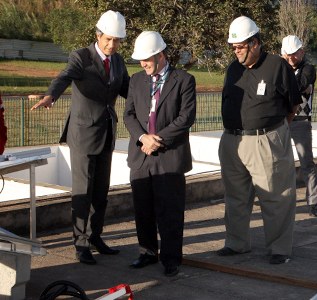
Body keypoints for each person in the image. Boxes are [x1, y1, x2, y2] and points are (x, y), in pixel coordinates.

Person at [29, 10, 130, 265]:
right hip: (83, 134)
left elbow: (129, 90)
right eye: (108, 39)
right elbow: (64, 77)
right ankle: (80, 243)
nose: (112, 45)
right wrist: (51, 95)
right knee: (83, 191)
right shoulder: (81, 57)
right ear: (98, 35)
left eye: (117, 41)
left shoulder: (118, 62)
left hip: (107, 132)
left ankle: (96, 236)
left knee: (101, 191)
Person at [217, 16, 301, 265]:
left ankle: (279, 248)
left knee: (276, 196)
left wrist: (276, 133)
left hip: (265, 141)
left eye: (240, 47)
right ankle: (236, 243)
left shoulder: (277, 66)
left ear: (255, 43)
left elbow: (293, 104)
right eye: (233, 47)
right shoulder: (233, 68)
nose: (236, 52)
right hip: (233, 141)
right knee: (235, 197)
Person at [123, 31, 196, 277]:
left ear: (161, 55)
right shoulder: (136, 80)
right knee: (143, 209)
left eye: (147, 59)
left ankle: (171, 258)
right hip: (141, 154)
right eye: (140, 60)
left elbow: (186, 118)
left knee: (170, 210)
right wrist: (143, 138)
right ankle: (146, 252)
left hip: (169, 156)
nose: (142, 64)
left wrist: (158, 140)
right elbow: (129, 115)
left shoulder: (184, 80)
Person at [281, 35, 317, 217]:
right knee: (279, 162)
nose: (291, 58)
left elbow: (299, 85)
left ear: (301, 52)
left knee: (306, 163)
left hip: (301, 122)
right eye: (287, 55)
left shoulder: (308, 69)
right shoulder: (281, 68)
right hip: (281, 121)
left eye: (294, 54)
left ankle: (312, 203)